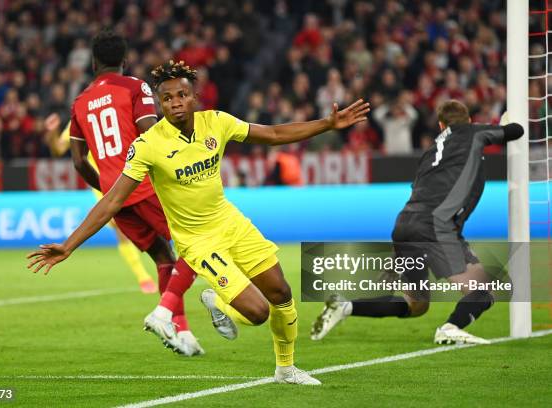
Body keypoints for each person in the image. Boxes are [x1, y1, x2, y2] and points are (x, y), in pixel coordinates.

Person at [27, 60, 370, 385]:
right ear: (158, 105)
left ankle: (286, 369)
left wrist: (327, 123)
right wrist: (69, 245)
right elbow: (112, 199)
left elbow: (276, 133)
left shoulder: (216, 122)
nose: (175, 103)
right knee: (258, 313)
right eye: (166, 98)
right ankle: (217, 300)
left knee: (282, 293)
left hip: (231, 223)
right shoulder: (148, 145)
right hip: (198, 242)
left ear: (194, 97)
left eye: (181, 95)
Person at [37, 30, 202, 356]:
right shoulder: (133, 86)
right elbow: (151, 136)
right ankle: (185, 312)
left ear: (94, 62)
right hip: (145, 186)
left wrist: (110, 191)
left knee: (162, 256)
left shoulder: (80, 103)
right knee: (197, 245)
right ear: (124, 60)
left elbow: (78, 162)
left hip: (116, 198)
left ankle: (181, 333)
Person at [310, 100, 524, 345]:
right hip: (436, 226)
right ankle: (451, 328)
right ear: (468, 121)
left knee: (416, 304)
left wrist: (396, 258)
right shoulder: (472, 132)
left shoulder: (431, 153)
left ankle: (345, 306)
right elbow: (516, 131)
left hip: (405, 224)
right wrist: (505, 123)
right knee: (486, 288)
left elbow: (419, 195)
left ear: (441, 125)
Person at [42, 112, 157, 294]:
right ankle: (143, 277)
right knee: (122, 230)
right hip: (105, 185)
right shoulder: (79, 119)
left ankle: (177, 265)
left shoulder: (118, 111)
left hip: (135, 174)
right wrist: (52, 132)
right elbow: (58, 149)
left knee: (157, 223)